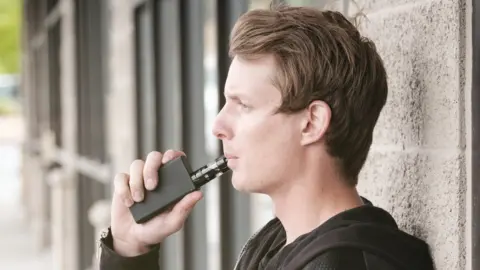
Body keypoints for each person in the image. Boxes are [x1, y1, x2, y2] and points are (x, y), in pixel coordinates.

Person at [98, 4, 435, 270]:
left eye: (242, 105)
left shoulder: (341, 263)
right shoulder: (278, 242)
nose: (218, 124)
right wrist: (130, 249)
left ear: (311, 123)